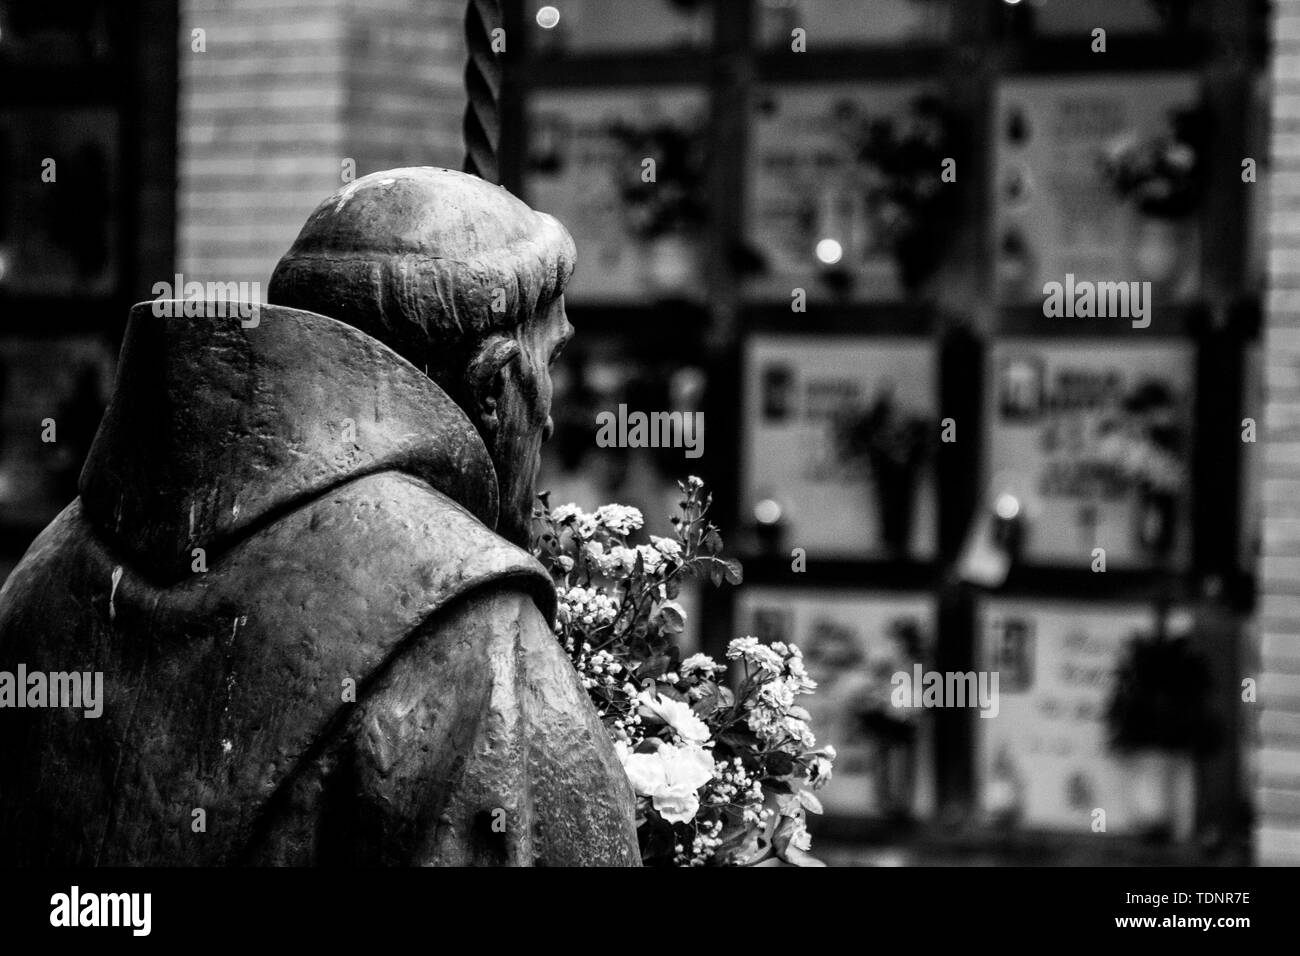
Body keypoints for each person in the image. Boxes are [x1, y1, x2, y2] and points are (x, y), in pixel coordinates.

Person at [0, 167, 640, 866]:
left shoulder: (47, 570)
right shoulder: (471, 632)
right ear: (494, 385)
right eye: (550, 363)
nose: (549, 416)